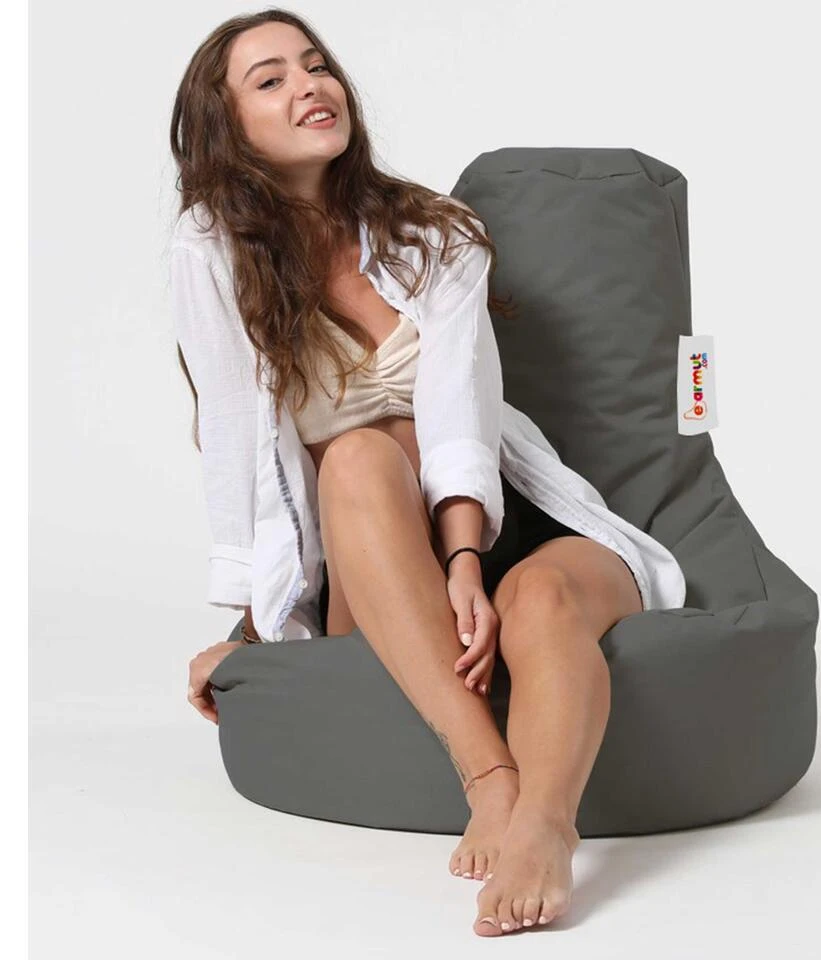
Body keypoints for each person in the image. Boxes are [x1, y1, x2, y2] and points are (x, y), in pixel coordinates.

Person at [168, 8, 686, 938]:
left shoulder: (432, 235)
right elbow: (243, 451)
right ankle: (489, 773)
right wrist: (252, 628)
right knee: (360, 456)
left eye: (316, 65)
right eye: (271, 79)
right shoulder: (211, 252)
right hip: (372, 561)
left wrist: (466, 562)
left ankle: (545, 827)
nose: (310, 86)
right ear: (225, 125)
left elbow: (458, 407)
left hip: (499, 518)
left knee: (544, 599)